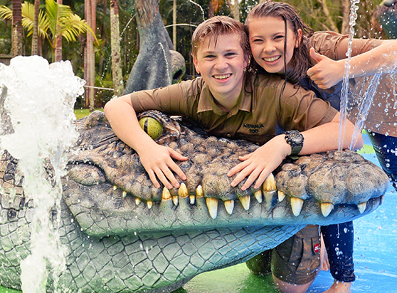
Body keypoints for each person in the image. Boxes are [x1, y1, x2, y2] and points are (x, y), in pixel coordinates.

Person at [104, 15, 363, 293]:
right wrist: (147, 148)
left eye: (230, 54)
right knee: (258, 269)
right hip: (242, 194)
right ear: (196, 63)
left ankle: (316, 236)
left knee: (290, 288)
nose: (221, 65)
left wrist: (283, 143)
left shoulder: (278, 93)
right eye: (210, 56)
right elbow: (117, 105)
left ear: (245, 60)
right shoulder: (190, 93)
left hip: (289, 197)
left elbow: (352, 134)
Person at [244, 0, 397, 293]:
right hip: (335, 119)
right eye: (258, 40)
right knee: (332, 178)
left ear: (297, 37)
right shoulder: (261, 73)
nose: (268, 48)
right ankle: (342, 278)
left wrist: (342, 68)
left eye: (278, 37)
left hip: (382, 101)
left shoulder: (323, 45)